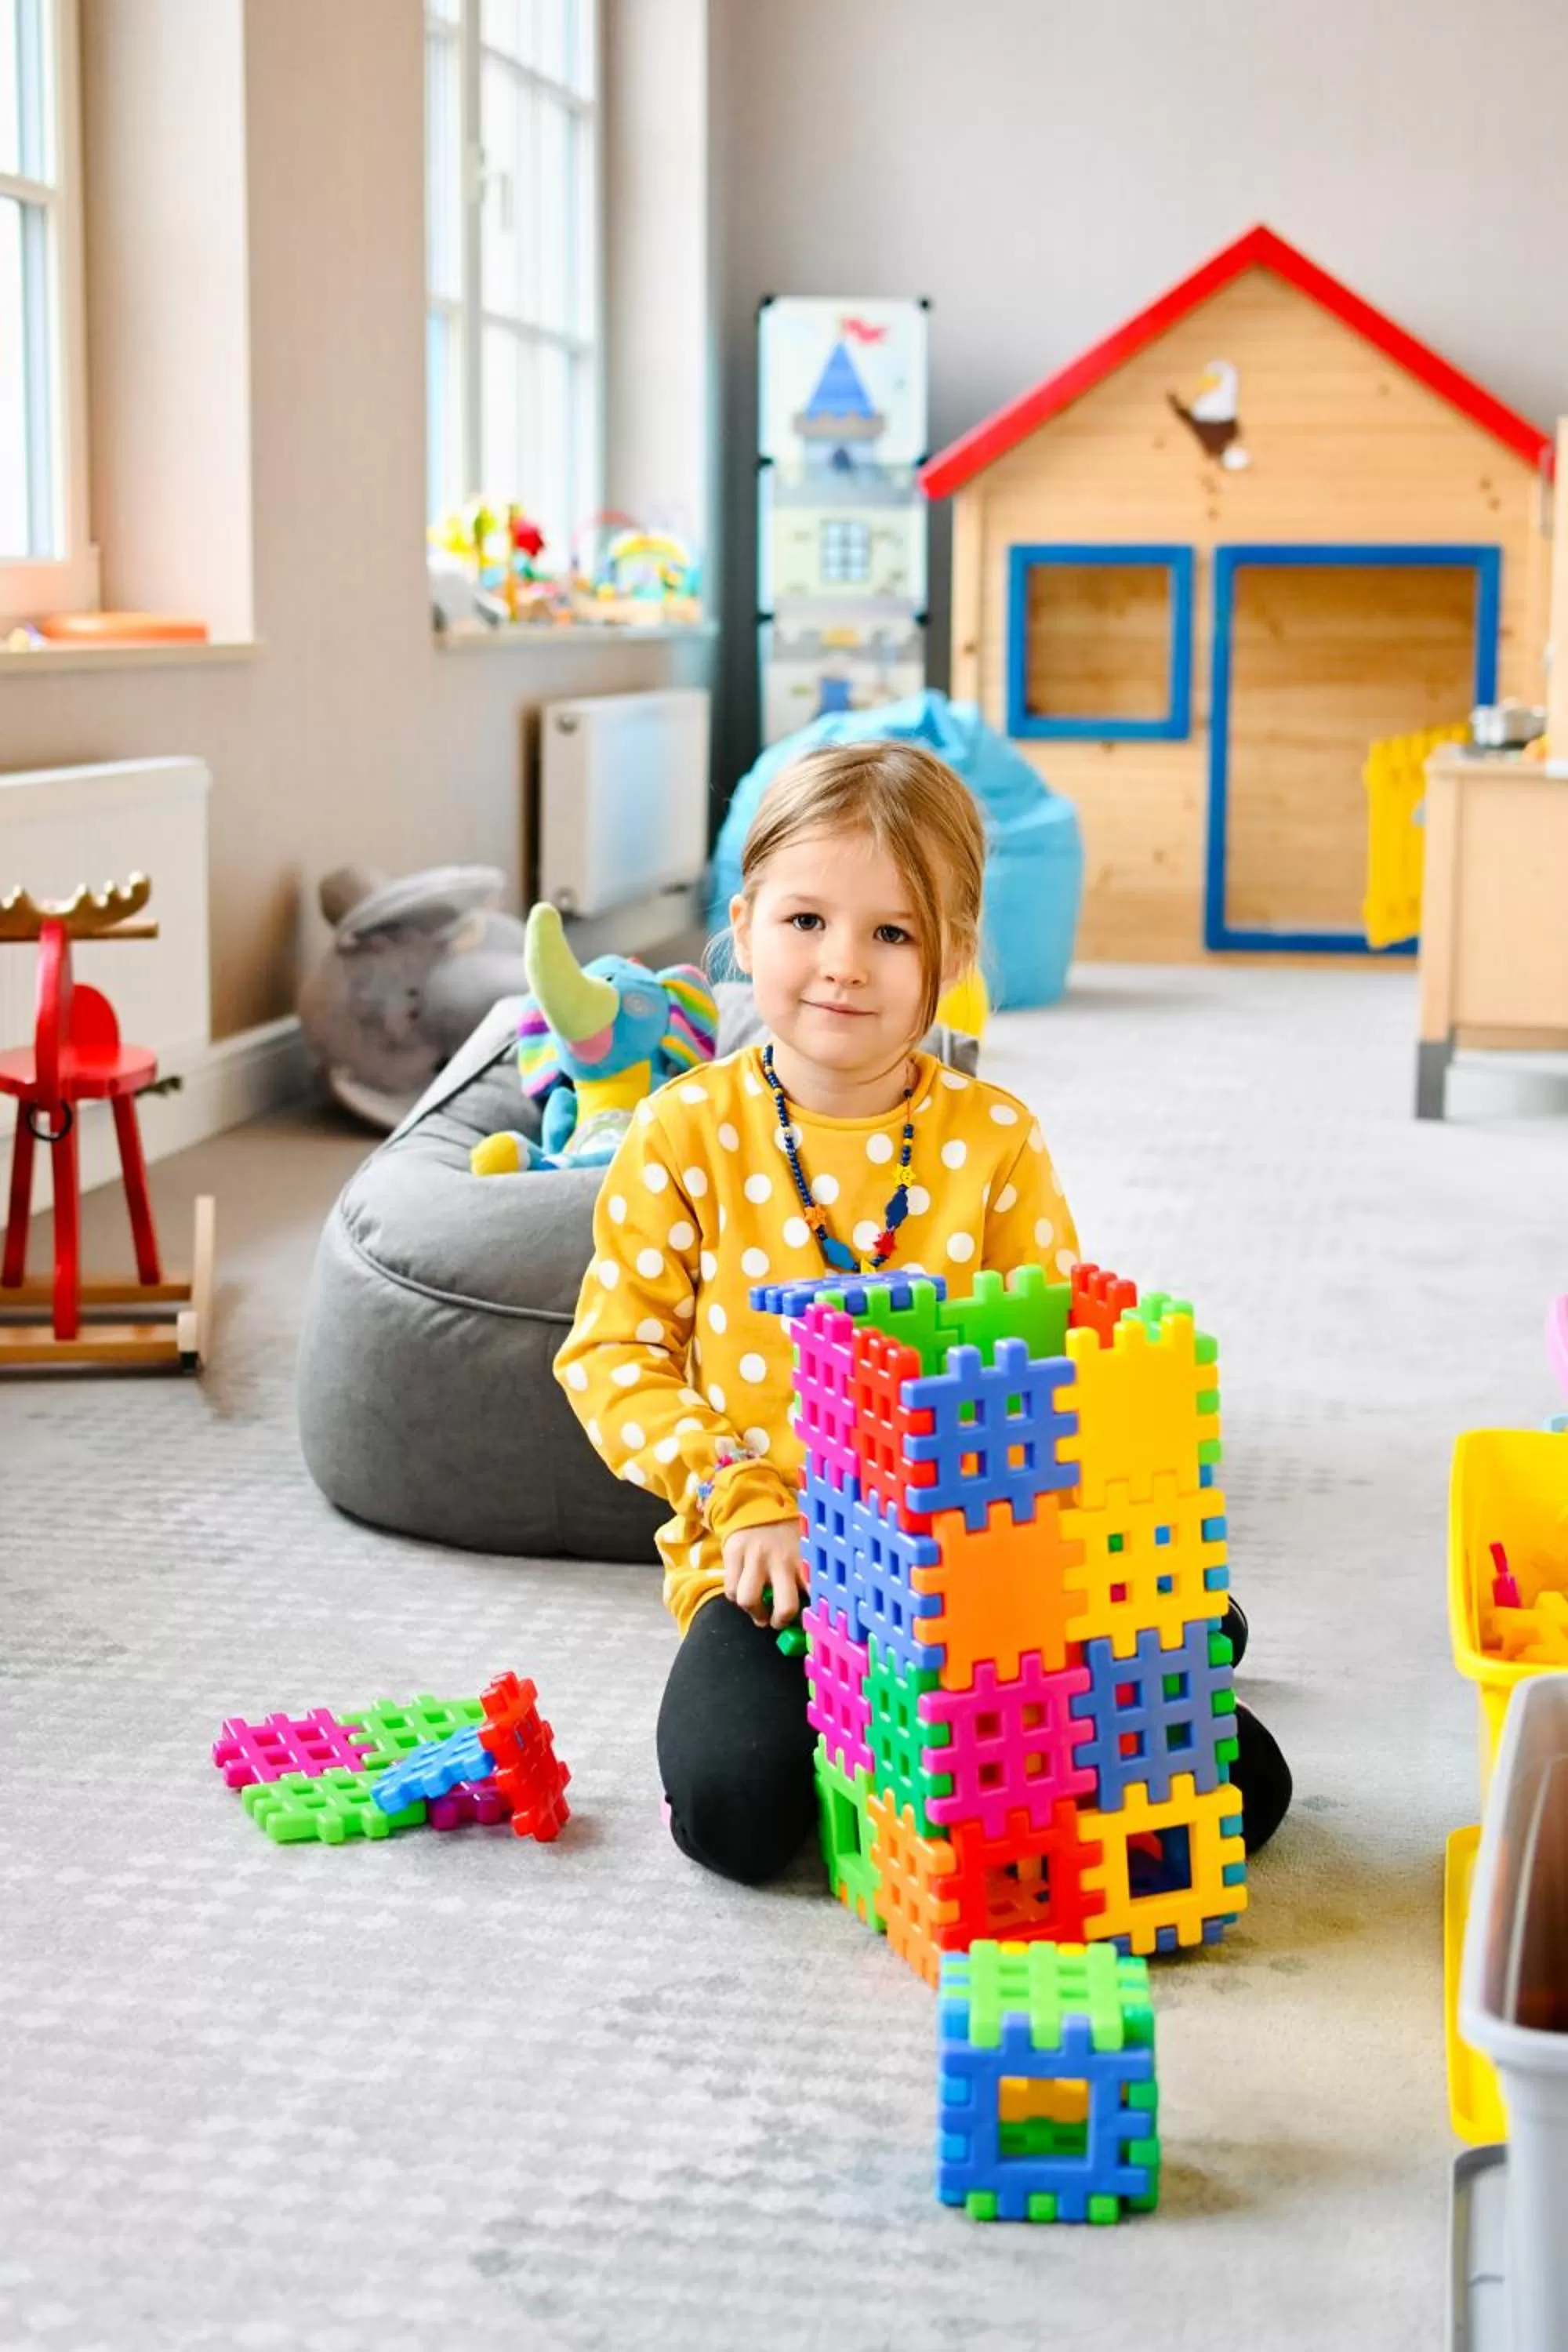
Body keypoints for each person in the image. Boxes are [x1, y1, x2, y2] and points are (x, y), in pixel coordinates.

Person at [553, 741, 1293, 1884]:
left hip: (973, 1565)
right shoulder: (680, 1131)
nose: (843, 964)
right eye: (806, 920)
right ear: (744, 925)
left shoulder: (996, 1140)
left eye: (892, 932)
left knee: (1243, 1791)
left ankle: (1186, 1632)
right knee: (732, 1817)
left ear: (949, 959)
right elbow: (611, 1355)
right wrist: (735, 1496)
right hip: (778, 1566)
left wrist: (1080, 1559)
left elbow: (1056, 1350)